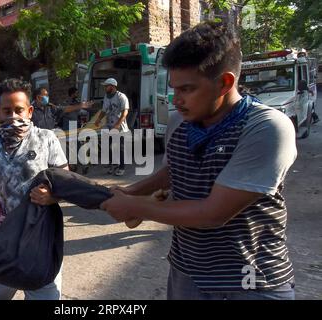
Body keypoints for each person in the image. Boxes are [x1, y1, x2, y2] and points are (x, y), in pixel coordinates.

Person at [101, 21, 297, 300]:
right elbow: (173, 170)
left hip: (250, 282)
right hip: (187, 274)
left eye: (187, 89)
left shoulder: (266, 127)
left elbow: (213, 213)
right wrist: (132, 191)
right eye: (173, 88)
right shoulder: (179, 121)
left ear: (225, 83)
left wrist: (134, 206)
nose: (175, 99)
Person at [0, 78, 68, 300]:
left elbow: (65, 179)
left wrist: (52, 196)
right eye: (6, 111)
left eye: (18, 110)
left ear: (30, 111)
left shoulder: (46, 139)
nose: (13, 116)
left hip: (39, 237)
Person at [94, 78, 129, 176]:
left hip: (119, 126)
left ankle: (121, 167)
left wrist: (117, 125)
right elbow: (104, 110)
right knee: (107, 146)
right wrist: (98, 119)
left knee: (119, 147)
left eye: (106, 86)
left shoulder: (121, 97)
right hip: (109, 125)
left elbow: (125, 112)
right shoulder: (106, 96)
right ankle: (112, 165)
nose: (105, 87)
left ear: (113, 86)